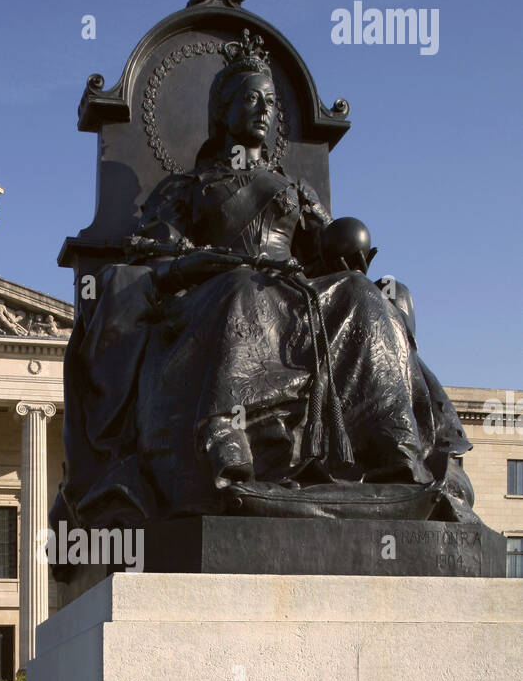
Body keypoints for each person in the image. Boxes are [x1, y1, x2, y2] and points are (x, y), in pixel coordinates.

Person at [55, 30, 474, 529]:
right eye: (251, 99)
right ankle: (224, 435)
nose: (263, 110)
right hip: (217, 290)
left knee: (363, 297)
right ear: (224, 110)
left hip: (294, 290)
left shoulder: (293, 191)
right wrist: (200, 264)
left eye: (270, 102)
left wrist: (354, 264)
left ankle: (394, 448)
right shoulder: (188, 188)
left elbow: (327, 257)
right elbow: (155, 257)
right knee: (243, 289)